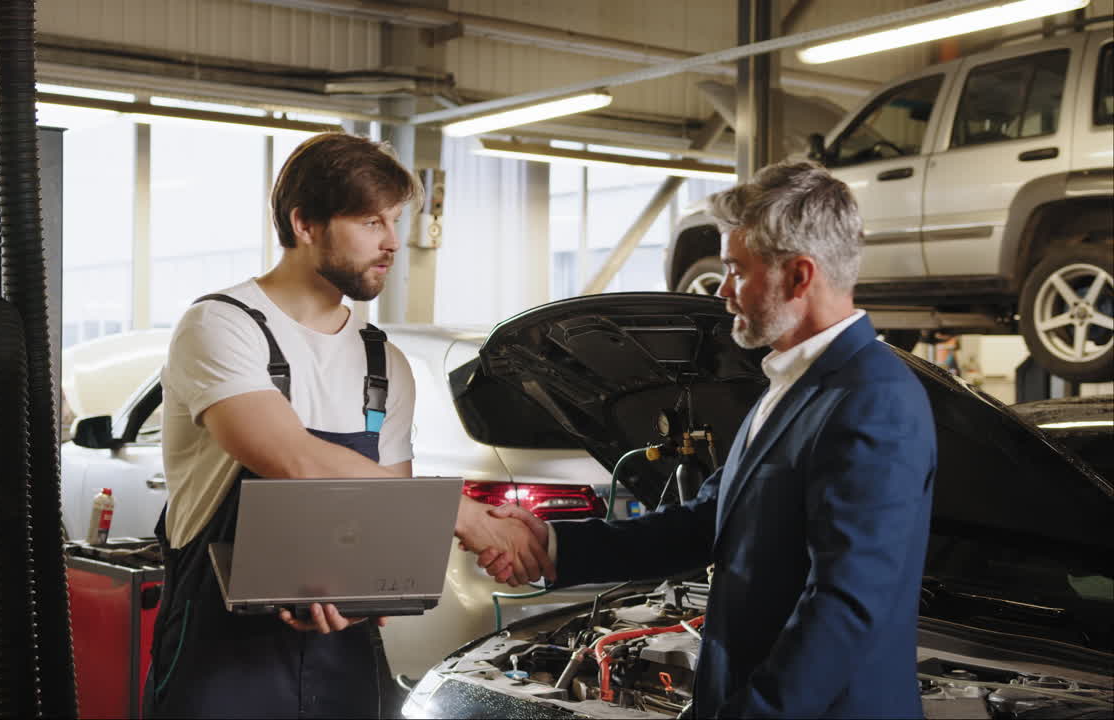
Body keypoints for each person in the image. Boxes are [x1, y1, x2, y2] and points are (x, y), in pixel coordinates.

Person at [480, 160, 937, 718]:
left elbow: (845, 607)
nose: (722, 290)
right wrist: (554, 546)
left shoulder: (873, 400)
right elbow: (703, 523)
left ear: (799, 276)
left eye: (736, 270)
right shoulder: (790, 385)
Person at [143, 132, 552, 719]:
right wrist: (465, 518)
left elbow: (387, 525)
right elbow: (291, 457)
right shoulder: (220, 326)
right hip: (218, 656)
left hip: (345, 661)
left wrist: (361, 596)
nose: (391, 243)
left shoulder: (384, 363)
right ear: (305, 223)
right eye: (369, 222)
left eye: (393, 222)